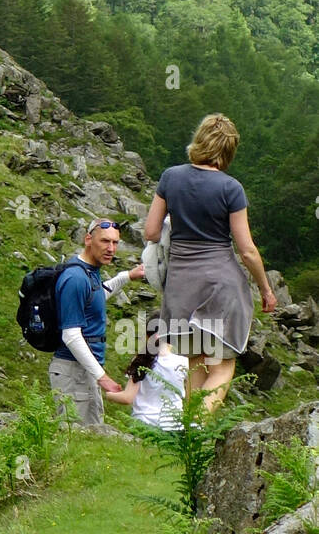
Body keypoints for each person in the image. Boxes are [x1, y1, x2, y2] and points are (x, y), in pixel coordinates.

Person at [143, 113, 276, 413]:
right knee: (221, 366)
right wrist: (266, 289)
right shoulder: (231, 189)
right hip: (220, 289)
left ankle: (188, 443)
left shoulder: (170, 177)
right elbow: (248, 251)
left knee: (194, 366)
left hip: (180, 290)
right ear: (229, 151)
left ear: (199, 139)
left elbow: (151, 232)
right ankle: (197, 427)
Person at [49, 218, 145, 427]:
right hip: (72, 372)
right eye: (105, 242)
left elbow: (97, 296)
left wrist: (127, 276)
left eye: (115, 243)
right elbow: (71, 335)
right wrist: (102, 377)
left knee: (91, 433)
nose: (111, 249)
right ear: (88, 239)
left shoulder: (89, 272)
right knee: (75, 437)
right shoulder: (76, 278)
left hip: (83, 371)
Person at [102, 313, 187, 430]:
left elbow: (127, 398)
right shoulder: (183, 363)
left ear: (147, 336)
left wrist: (108, 395)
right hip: (174, 427)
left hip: (143, 425)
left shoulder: (141, 360)